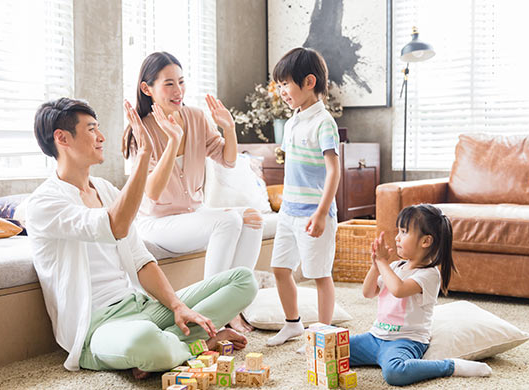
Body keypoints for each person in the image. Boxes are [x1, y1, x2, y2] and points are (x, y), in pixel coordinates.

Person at [27, 97, 257, 378]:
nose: (101, 137)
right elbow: (115, 226)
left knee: (244, 280)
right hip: (97, 328)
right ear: (62, 138)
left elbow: (140, 259)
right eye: (91, 130)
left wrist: (177, 306)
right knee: (145, 340)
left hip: (141, 306)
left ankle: (167, 346)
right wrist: (145, 155)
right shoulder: (44, 203)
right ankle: (202, 343)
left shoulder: (106, 190)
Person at [122, 52, 263, 333]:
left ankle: (232, 306)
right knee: (229, 220)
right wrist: (173, 140)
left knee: (253, 218)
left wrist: (229, 128)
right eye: (169, 84)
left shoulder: (196, 117)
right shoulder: (140, 129)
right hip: (157, 222)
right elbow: (151, 192)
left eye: (182, 82)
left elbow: (228, 160)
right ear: (147, 89)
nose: (179, 91)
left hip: (193, 216)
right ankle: (212, 312)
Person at [349, 204, 492, 386]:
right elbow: (368, 293)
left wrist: (382, 263)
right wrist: (375, 266)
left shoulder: (429, 275)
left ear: (425, 241)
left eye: (404, 232)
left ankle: (450, 366)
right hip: (375, 337)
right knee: (333, 349)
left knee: (395, 373)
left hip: (405, 341)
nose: (397, 238)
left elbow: (399, 290)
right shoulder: (394, 267)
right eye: (398, 231)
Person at [265, 47, 340, 348]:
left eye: (286, 84)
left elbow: (333, 172)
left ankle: (322, 334)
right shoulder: (293, 120)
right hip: (289, 212)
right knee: (280, 269)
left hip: (313, 213)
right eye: (279, 84)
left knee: (320, 274)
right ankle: (293, 324)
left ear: (309, 82)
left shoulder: (324, 123)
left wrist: (321, 213)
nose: (282, 91)